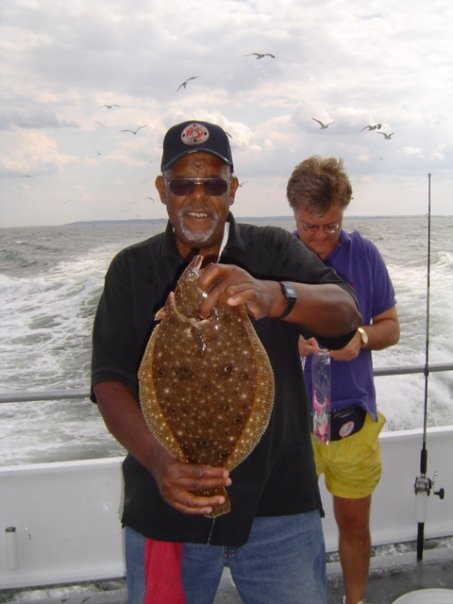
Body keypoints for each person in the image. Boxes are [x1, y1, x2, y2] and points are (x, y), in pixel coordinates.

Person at [91, 121, 361, 604]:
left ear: (232, 190)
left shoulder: (273, 251)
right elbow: (109, 381)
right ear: (162, 191)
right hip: (167, 506)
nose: (198, 197)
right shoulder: (130, 270)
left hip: (279, 508)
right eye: (182, 184)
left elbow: (347, 313)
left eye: (213, 184)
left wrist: (275, 295)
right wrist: (159, 461)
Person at [286, 156, 400, 604]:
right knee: (293, 531)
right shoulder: (276, 256)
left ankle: (356, 601)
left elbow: (391, 326)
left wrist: (362, 337)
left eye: (330, 227)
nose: (319, 238)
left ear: (343, 214)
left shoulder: (365, 255)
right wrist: (289, 342)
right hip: (293, 424)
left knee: (354, 525)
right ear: (294, 214)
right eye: (309, 227)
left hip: (353, 420)